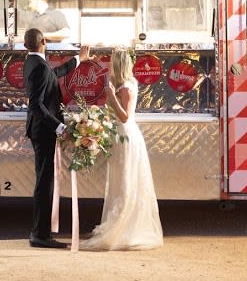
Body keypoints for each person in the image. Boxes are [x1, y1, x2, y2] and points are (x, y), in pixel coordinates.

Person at [82, 48, 163, 251]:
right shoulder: (126, 84)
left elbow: (125, 116)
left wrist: (111, 97)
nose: (109, 66)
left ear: (118, 65)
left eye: (112, 63)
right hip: (120, 136)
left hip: (126, 136)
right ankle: (117, 224)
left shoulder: (126, 87)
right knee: (120, 182)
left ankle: (123, 228)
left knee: (125, 182)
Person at [23, 27, 89, 249]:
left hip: (39, 130)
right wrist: (60, 127)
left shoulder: (33, 62)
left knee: (45, 181)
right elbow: (36, 105)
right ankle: (40, 235)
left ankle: (40, 232)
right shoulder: (39, 66)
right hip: (43, 132)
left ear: (26, 45)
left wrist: (78, 59)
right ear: (43, 41)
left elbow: (54, 74)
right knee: (45, 183)